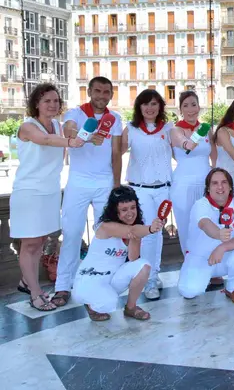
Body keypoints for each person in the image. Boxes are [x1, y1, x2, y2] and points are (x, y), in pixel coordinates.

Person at [11, 84, 85, 311]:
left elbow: (66, 140)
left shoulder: (59, 126)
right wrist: (71, 142)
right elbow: (44, 140)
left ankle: (27, 281)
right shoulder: (27, 127)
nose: (52, 105)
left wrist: (85, 137)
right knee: (30, 243)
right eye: (47, 101)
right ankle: (35, 292)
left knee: (41, 240)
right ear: (36, 104)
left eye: (55, 101)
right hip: (29, 192)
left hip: (50, 191)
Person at [54, 77, 123, 307]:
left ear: (111, 94)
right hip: (78, 182)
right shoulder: (75, 113)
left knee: (105, 234)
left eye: (106, 92)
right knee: (71, 233)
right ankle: (63, 286)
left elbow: (115, 154)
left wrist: (116, 185)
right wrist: (83, 134)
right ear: (89, 91)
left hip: (105, 182)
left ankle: (102, 280)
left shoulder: (115, 118)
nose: (102, 96)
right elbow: (68, 130)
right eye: (98, 91)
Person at [72, 186, 161, 321]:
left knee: (144, 266)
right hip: (89, 279)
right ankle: (90, 304)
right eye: (124, 210)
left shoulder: (134, 230)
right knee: (109, 304)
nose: (130, 213)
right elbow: (133, 230)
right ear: (116, 212)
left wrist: (136, 238)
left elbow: (133, 258)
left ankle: (130, 308)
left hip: (111, 279)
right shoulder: (105, 226)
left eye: (133, 207)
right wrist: (150, 229)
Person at [121, 89, 173, 300]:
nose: (149, 108)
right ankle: (149, 280)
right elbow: (117, 152)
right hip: (141, 189)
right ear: (139, 107)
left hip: (164, 189)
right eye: (145, 104)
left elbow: (184, 147)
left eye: (153, 104)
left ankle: (154, 273)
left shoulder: (169, 129)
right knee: (149, 233)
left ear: (160, 106)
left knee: (157, 233)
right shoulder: (131, 129)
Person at [177, 168, 234, 304]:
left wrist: (222, 247)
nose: (220, 187)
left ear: (230, 187)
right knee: (188, 291)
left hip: (224, 257)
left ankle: (233, 288)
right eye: (214, 183)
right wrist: (218, 234)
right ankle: (202, 277)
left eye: (224, 182)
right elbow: (205, 223)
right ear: (208, 188)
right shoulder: (200, 205)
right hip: (201, 258)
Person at [169, 90, 216, 254]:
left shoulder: (206, 129)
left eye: (194, 105)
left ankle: (211, 267)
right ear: (180, 109)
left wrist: (215, 177)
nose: (190, 109)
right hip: (184, 184)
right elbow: (184, 144)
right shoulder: (175, 130)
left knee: (208, 224)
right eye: (186, 105)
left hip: (205, 183)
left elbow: (214, 154)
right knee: (187, 227)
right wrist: (189, 142)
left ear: (199, 107)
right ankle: (190, 266)